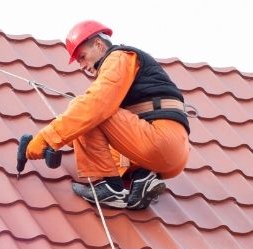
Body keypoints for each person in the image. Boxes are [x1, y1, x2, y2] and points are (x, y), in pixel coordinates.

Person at [23, 20, 191, 210]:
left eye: (82, 57)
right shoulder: (127, 69)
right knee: (88, 118)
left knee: (85, 108)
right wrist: (59, 144)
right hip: (172, 152)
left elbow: (94, 107)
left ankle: (109, 187)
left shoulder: (118, 57)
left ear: (99, 44)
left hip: (158, 141)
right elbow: (97, 132)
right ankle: (142, 178)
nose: (82, 65)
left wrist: (45, 139)